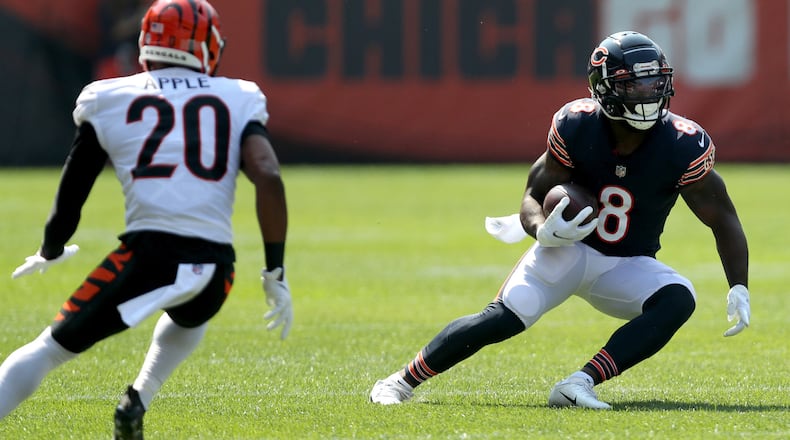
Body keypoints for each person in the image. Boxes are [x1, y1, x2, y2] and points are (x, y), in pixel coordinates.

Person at [369, 31, 750, 409]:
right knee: (503, 318)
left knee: (677, 299)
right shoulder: (577, 124)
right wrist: (542, 230)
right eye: (632, 83)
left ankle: (579, 383)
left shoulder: (683, 143)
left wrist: (739, 285)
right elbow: (533, 195)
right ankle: (399, 382)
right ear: (604, 87)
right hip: (564, 251)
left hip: (626, 263)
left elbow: (723, 218)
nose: (648, 92)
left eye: (654, 81)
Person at [0, 0, 292, 438]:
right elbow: (267, 174)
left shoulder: (108, 97)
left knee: (48, 350)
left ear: (145, 43)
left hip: (150, 256)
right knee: (190, 315)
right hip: (217, 269)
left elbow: (74, 188)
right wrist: (275, 269)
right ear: (207, 46)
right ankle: (138, 397)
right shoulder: (238, 95)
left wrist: (52, 246)